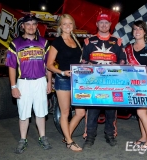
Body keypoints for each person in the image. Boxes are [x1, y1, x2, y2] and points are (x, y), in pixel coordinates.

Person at [5, 14, 52, 154]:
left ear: (37, 26)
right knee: (24, 113)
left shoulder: (44, 42)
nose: (31, 27)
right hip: (23, 83)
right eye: (28, 24)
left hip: (40, 81)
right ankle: (23, 139)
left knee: (41, 112)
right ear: (23, 26)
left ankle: (42, 137)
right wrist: (13, 86)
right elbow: (11, 66)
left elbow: (48, 65)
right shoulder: (15, 43)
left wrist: (49, 82)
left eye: (33, 24)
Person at [81, 13, 126, 149]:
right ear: (97, 24)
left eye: (107, 22)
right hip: (94, 82)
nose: (104, 25)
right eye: (101, 22)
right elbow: (82, 62)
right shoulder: (89, 41)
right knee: (93, 110)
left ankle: (110, 135)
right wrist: (88, 65)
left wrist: (117, 66)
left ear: (110, 25)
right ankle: (89, 137)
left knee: (111, 110)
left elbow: (123, 61)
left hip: (112, 83)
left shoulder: (117, 41)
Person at [46, 14, 85, 152]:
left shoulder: (76, 40)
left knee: (80, 112)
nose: (68, 26)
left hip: (77, 81)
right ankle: (69, 141)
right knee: (65, 112)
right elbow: (49, 65)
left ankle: (66, 134)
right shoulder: (57, 42)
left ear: (73, 25)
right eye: (65, 24)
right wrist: (62, 72)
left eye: (70, 23)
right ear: (60, 26)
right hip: (63, 80)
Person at [124, 20, 147, 148]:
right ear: (132, 32)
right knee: (139, 111)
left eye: (140, 29)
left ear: (145, 32)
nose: (137, 31)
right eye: (135, 29)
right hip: (134, 84)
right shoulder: (128, 48)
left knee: (141, 112)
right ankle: (144, 136)